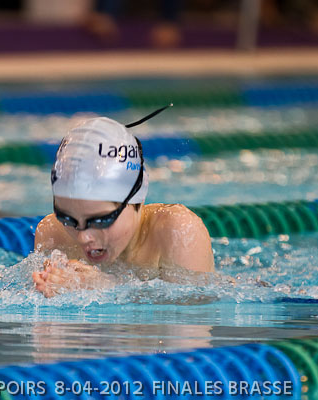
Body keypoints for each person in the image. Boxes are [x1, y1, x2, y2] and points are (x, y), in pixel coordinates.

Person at [33, 114, 214, 298]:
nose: (83, 237)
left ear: (137, 200)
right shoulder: (53, 234)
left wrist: (108, 287)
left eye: (101, 220)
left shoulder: (177, 231)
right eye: (67, 219)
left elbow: (195, 309)